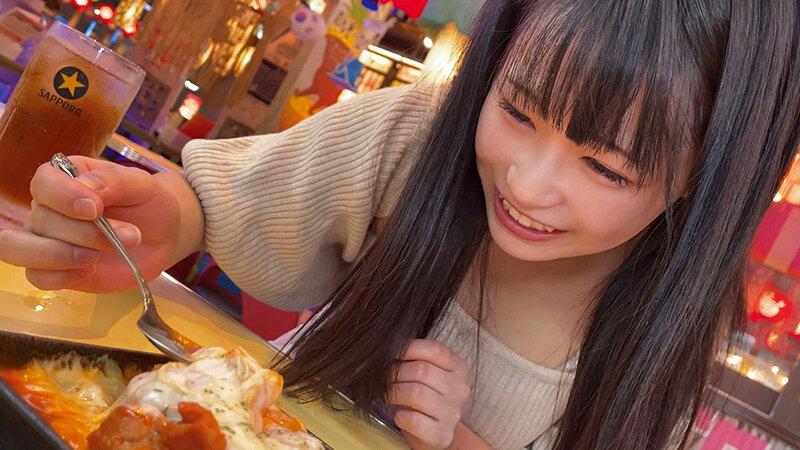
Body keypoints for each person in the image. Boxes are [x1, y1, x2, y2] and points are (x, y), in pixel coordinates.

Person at [1, 0, 799, 448]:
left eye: (606, 168)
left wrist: (456, 441)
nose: (527, 185)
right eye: (518, 110)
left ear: (698, 178)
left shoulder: (666, 336)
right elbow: (227, 204)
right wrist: (164, 219)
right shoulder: (418, 135)